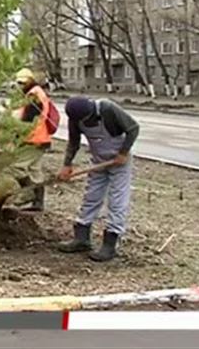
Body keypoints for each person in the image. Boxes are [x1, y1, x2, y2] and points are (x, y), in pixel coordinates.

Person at [57, 96, 140, 262]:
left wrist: (123, 152)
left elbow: (133, 128)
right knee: (91, 196)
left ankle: (110, 244)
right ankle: (82, 238)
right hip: (99, 161)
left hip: (119, 162)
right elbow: (74, 141)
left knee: (117, 201)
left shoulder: (107, 109)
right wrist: (67, 164)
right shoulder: (76, 118)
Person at [11, 68, 53, 212]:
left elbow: (28, 121)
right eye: (19, 83)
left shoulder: (34, 95)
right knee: (35, 171)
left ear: (30, 80)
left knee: (16, 166)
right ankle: (38, 203)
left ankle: (28, 193)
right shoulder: (36, 92)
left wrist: (17, 136)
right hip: (41, 138)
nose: (20, 85)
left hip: (33, 139)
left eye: (23, 82)